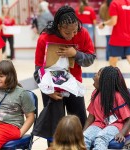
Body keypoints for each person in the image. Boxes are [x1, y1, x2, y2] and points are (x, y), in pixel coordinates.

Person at [34, 5, 95, 141]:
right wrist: (48, 91)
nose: (72, 35)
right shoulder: (45, 38)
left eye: (74, 31)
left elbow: (90, 59)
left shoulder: (82, 33)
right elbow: (38, 69)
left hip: (73, 86)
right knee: (54, 128)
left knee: (78, 123)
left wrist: (75, 54)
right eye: (68, 33)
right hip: (52, 89)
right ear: (58, 27)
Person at [0, 60, 35, 149]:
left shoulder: (21, 93)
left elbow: (30, 116)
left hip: (9, 127)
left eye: (1, 76)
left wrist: (21, 132)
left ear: (10, 76)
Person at [83, 66, 130, 150]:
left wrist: (122, 133)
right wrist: (83, 132)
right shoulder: (95, 94)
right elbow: (90, 117)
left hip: (116, 125)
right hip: (98, 124)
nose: (95, 75)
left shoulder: (118, 97)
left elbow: (129, 119)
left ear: (105, 81)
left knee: (100, 139)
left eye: (99, 74)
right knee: (84, 138)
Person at [98, 0, 130, 88]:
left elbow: (113, 21)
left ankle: (113, 85)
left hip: (117, 37)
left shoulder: (115, 3)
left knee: (112, 62)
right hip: (129, 37)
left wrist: (104, 23)